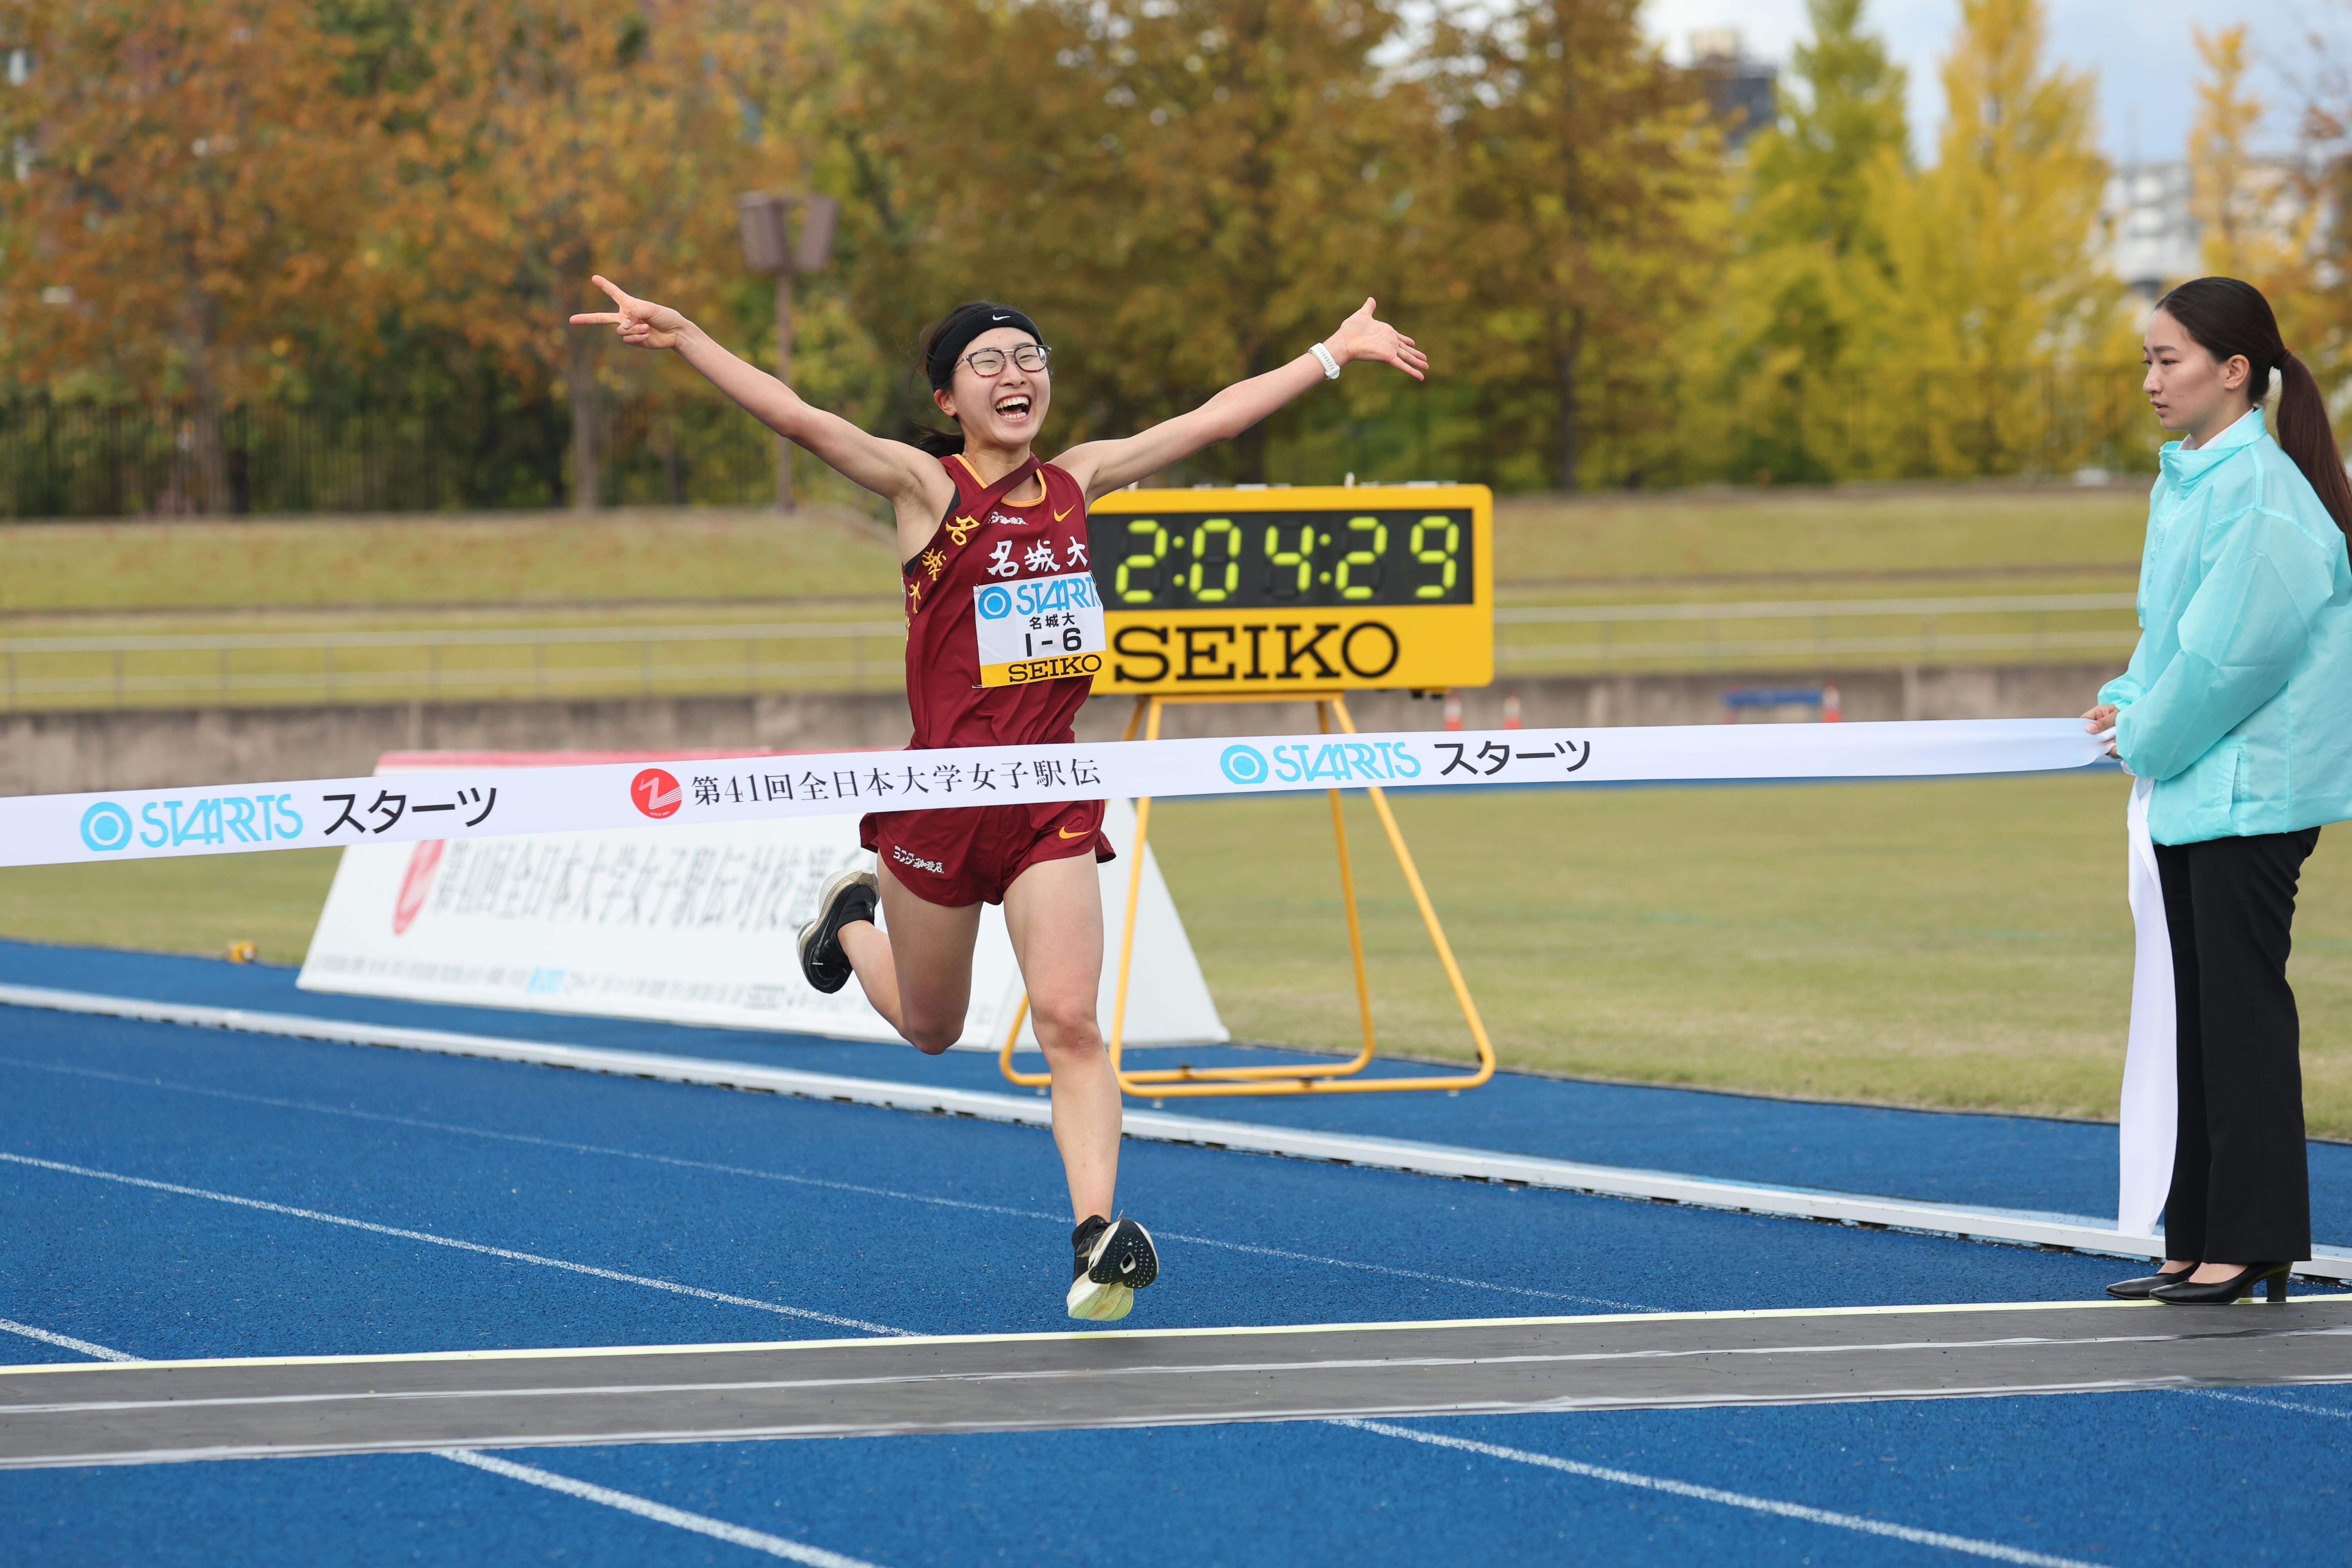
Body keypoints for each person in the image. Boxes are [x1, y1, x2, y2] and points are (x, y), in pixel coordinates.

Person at [570, 277, 1428, 1321]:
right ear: (948, 401)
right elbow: (798, 417)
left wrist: (1333, 353)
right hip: (939, 802)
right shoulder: (924, 491)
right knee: (933, 1029)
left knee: (1070, 1020)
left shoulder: (1081, 479)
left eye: (1031, 359)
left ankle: (1096, 1237)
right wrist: (690, 334)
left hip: (1052, 798)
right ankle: (847, 930)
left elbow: (1216, 416)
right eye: (990, 363)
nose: (1018, 375)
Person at [2085, 276, 2352, 1305]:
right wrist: (2123, 701)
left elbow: (2229, 661)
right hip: (2196, 788)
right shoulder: (2189, 479)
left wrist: (2142, 730)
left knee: (2238, 1017)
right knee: (2196, 1014)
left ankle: (2255, 1238)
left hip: (2252, 798)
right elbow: (2169, 633)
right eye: (2147, 361)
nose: (2151, 380)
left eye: (2170, 360)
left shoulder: (2264, 494)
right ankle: (2200, 1235)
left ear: (2235, 371)